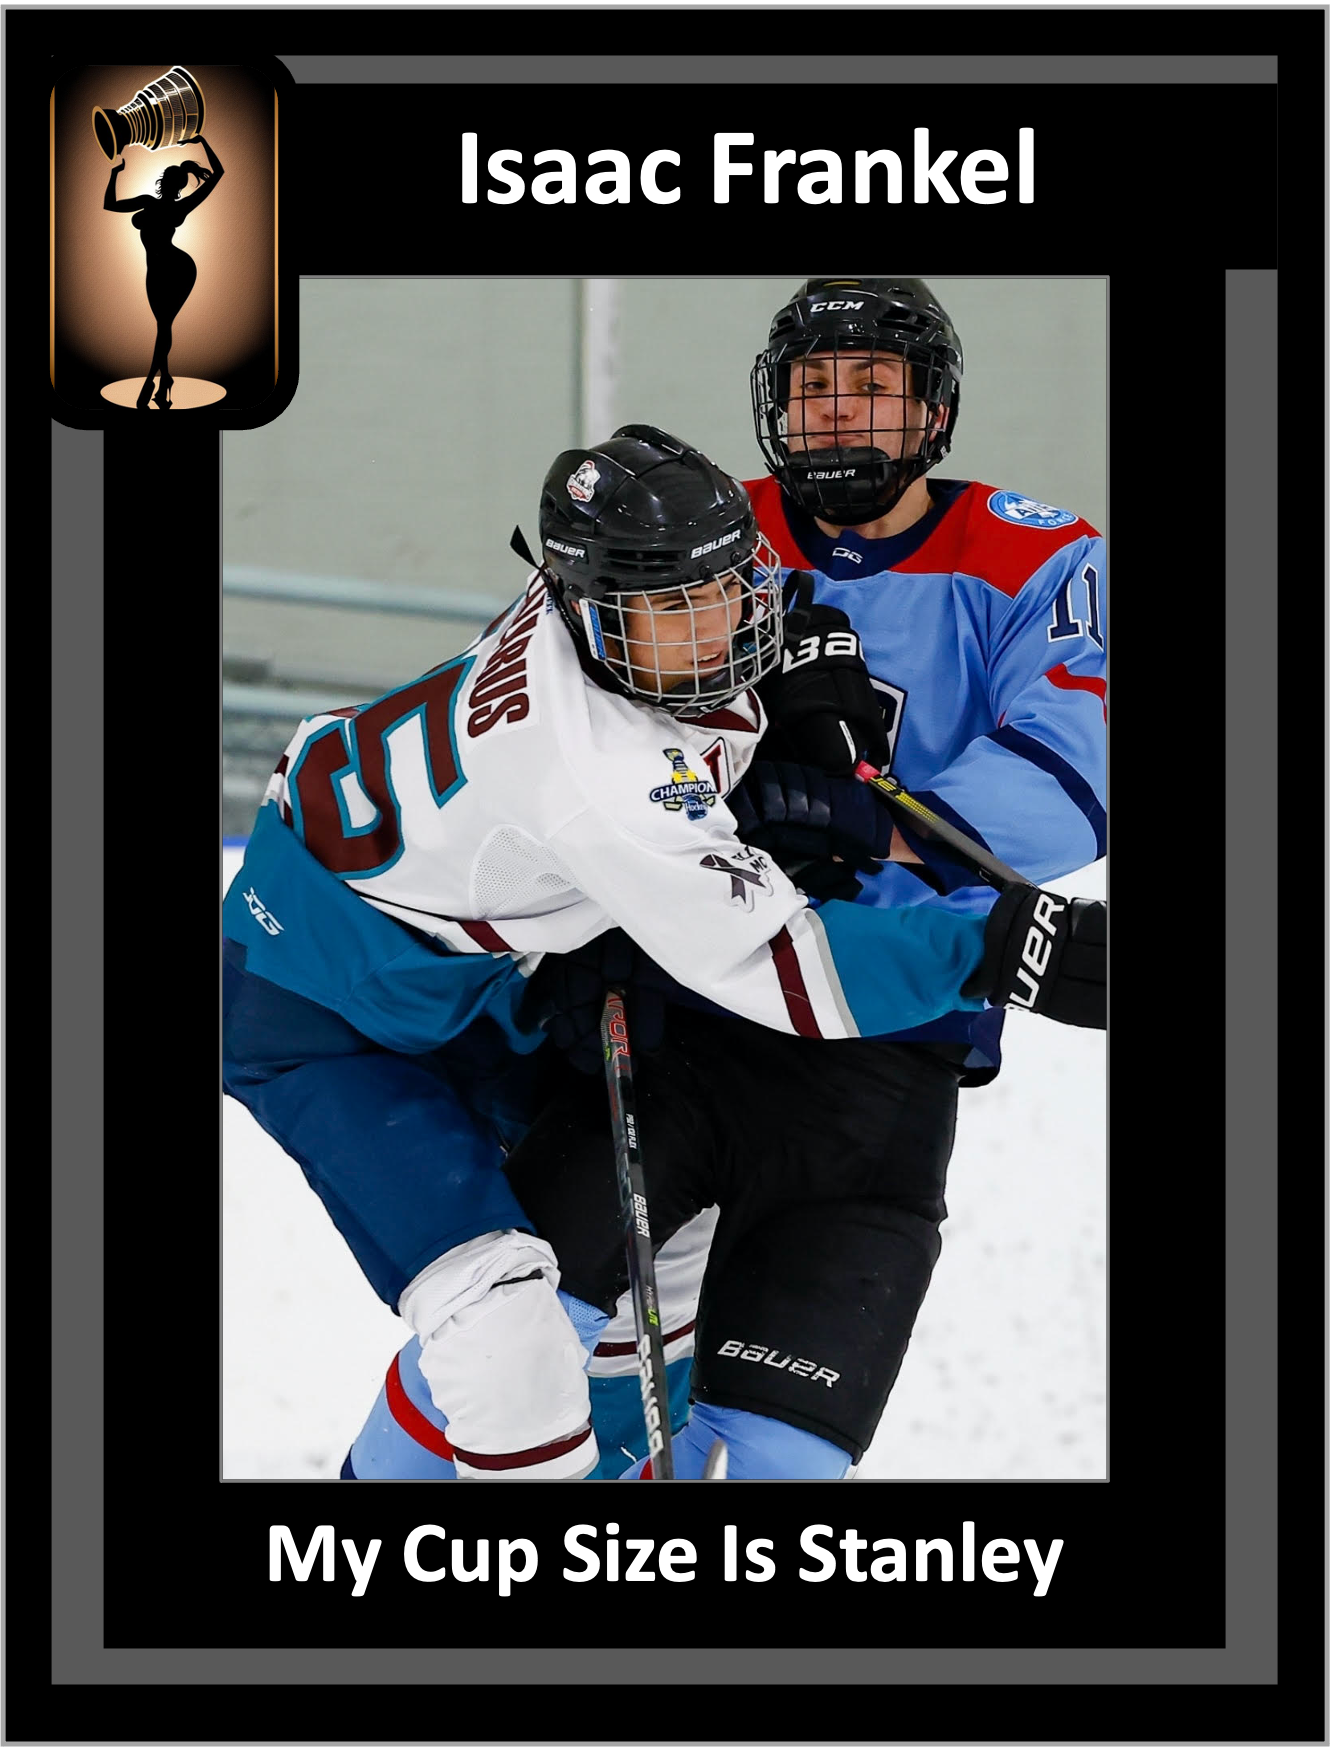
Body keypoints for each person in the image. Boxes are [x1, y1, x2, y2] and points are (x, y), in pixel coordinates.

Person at [222, 422, 1105, 1482]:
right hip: (317, 1005)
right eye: (673, 608)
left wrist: (798, 653)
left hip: (457, 975)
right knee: (504, 1333)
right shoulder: (597, 775)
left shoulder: (594, 611)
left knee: (668, 1249)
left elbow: (701, 644)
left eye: (728, 587)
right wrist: (1000, 949)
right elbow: (786, 967)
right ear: (587, 609)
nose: (716, 625)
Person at [103, 134, 223, 408]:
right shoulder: (149, 201)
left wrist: (203, 141)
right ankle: (166, 379)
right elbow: (110, 205)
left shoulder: (181, 207)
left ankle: (149, 381)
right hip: (155, 271)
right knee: (162, 325)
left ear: (172, 183)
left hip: (178, 268)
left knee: (164, 324)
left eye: (170, 180)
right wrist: (114, 174)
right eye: (168, 180)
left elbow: (218, 174)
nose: (167, 183)